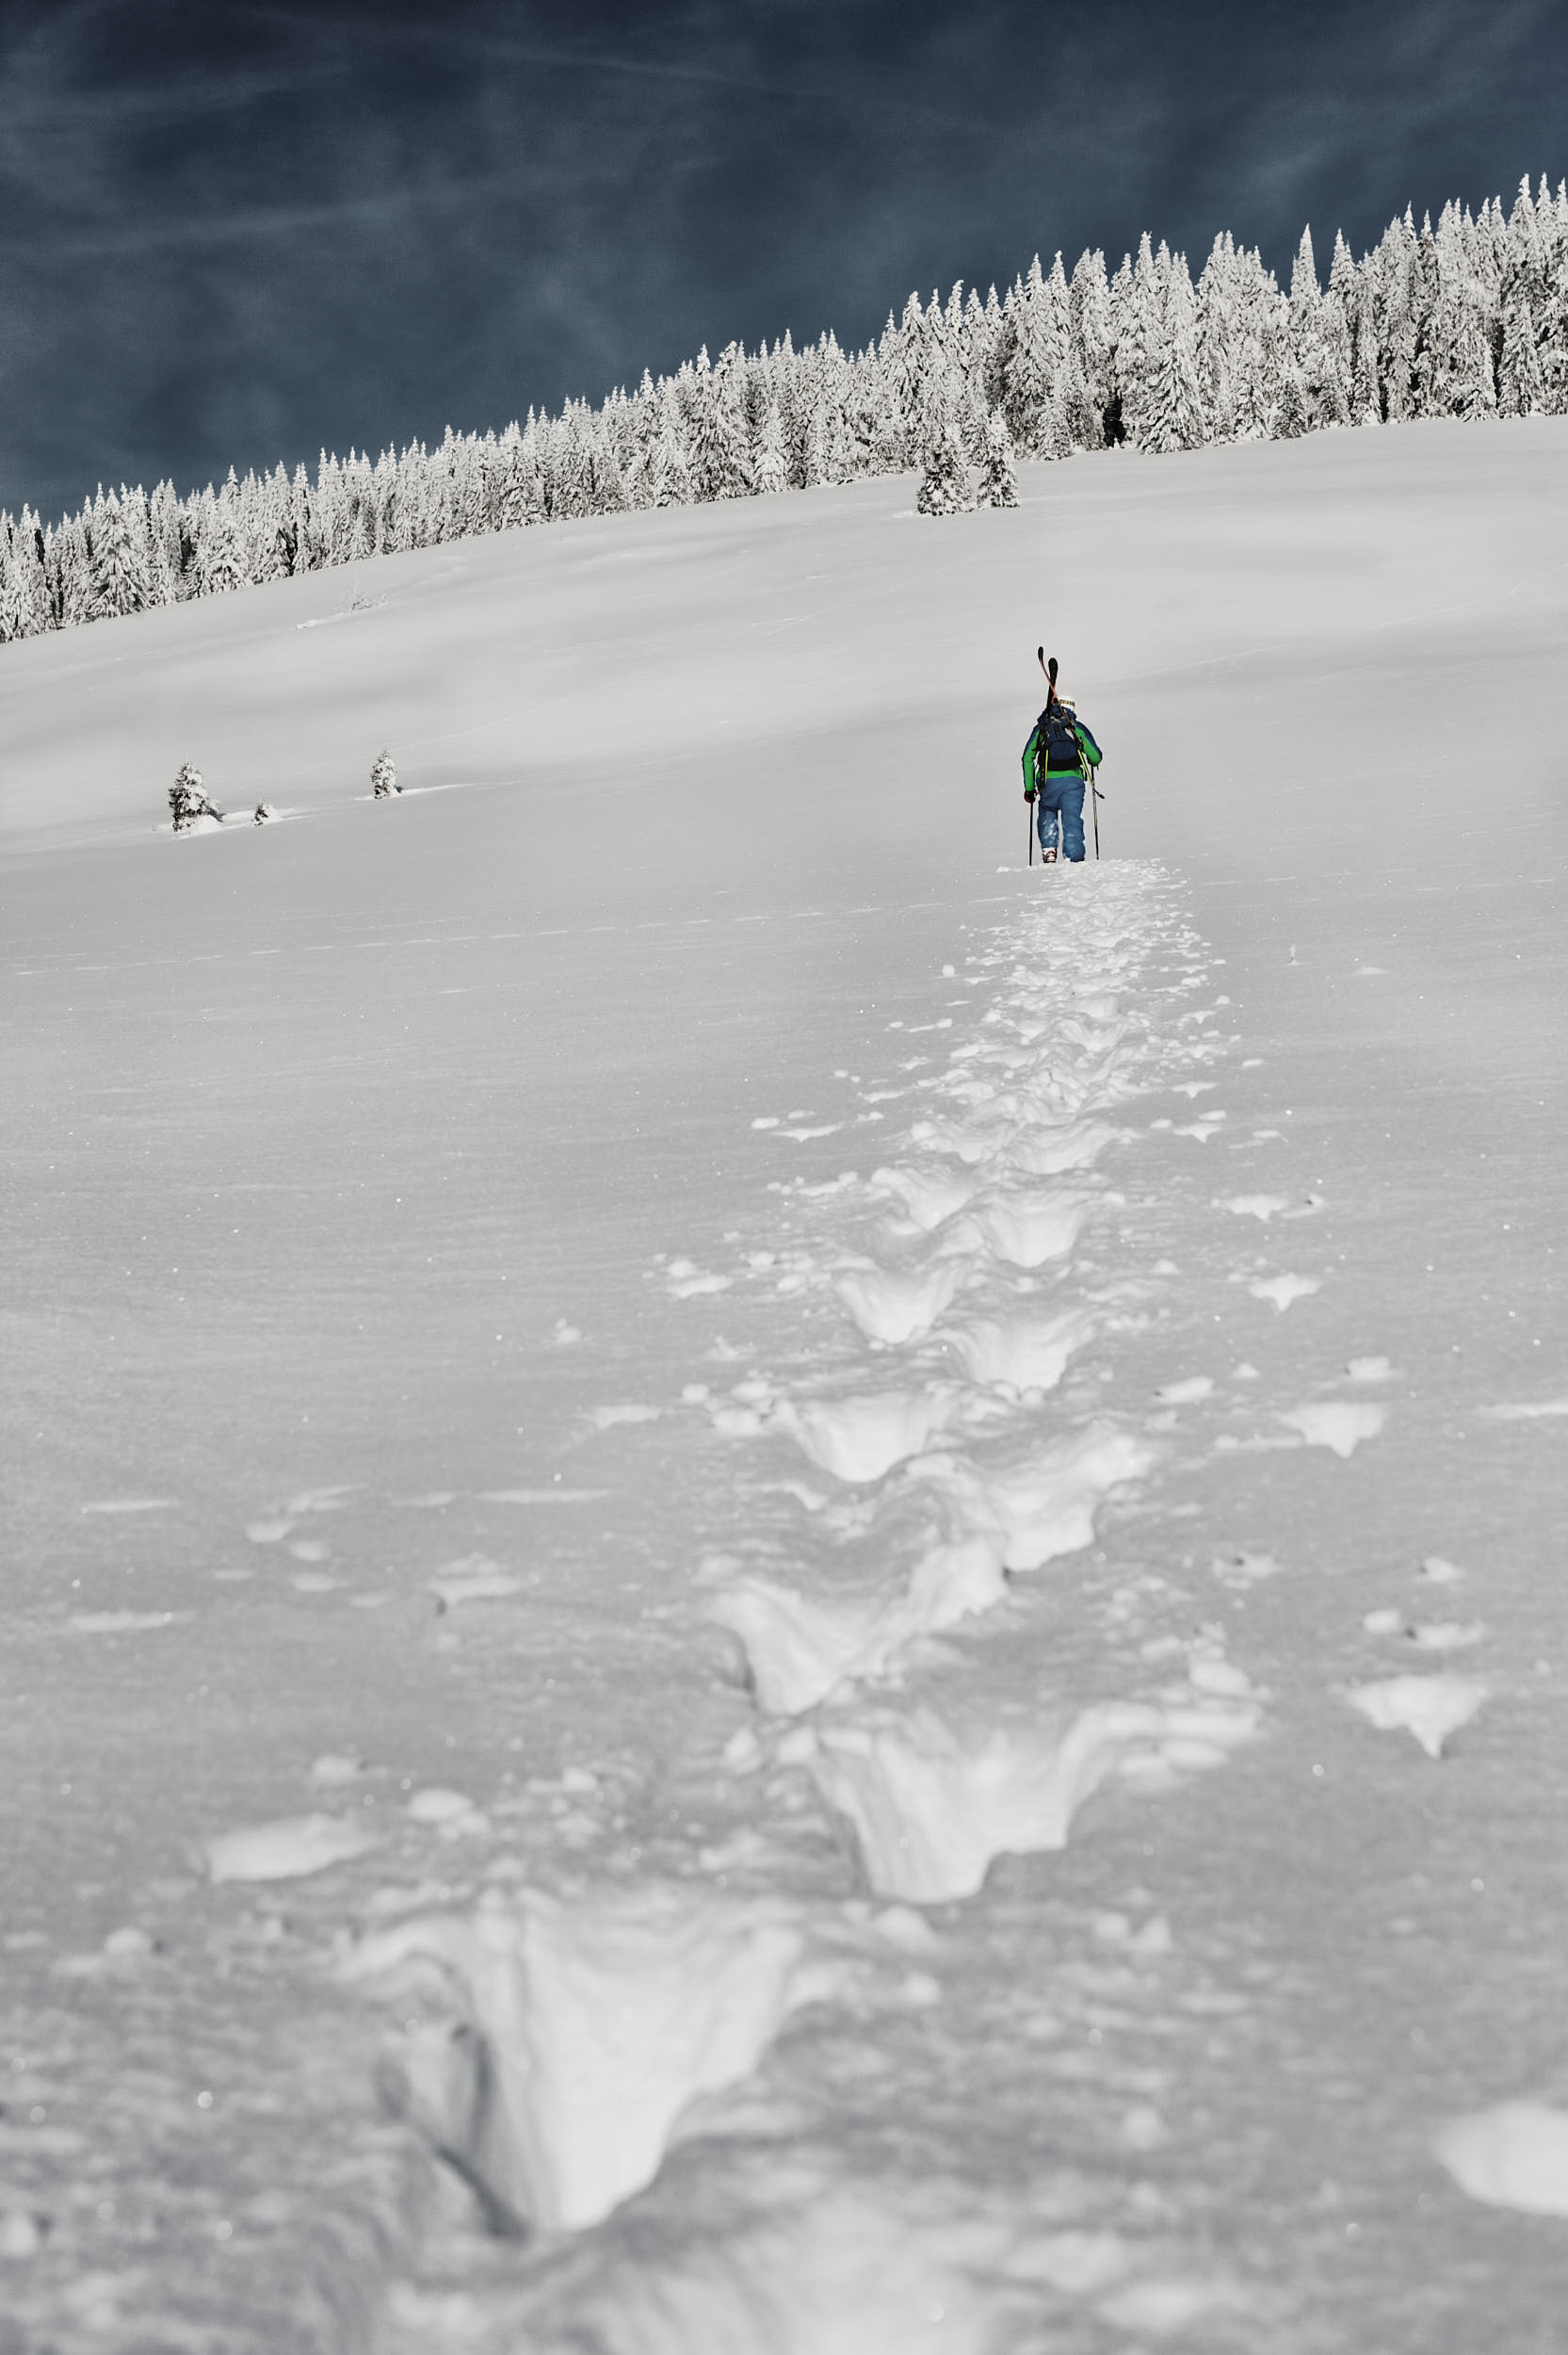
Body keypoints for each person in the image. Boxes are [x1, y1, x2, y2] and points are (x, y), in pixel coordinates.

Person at [1022, 659, 1103, 862]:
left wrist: (1030, 788)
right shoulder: (1076, 727)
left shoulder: (1042, 728)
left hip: (1048, 782)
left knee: (1047, 811)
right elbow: (1095, 757)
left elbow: (1027, 758)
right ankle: (1074, 856)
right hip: (1073, 782)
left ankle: (1049, 850)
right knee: (1072, 818)